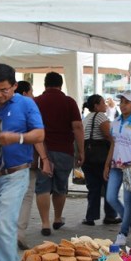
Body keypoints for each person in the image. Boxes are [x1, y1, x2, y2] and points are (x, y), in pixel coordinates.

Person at [0, 63, 45, 261]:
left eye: (4, 90)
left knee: (6, 226)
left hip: (16, 173)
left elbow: (40, 134)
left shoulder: (26, 105)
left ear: (14, 86)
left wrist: (17, 138)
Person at [32, 72, 85, 235]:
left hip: (42, 151)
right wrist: (81, 151)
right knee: (61, 186)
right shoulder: (69, 102)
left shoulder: (37, 102)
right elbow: (77, 127)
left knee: (43, 187)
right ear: (61, 85)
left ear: (45, 85)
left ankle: (45, 223)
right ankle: (57, 218)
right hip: (65, 151)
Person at [14, 80, 48, 251]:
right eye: (32, 91)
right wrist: (45, 158)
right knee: (26, 197)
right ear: (26, 92)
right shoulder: (28, 106)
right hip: (25, 161)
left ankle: (5, 233)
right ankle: (18, 233)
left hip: (4, 161)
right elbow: (37, 136)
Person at [104, 91, 131, 246]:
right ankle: (128, 220)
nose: (122, 105)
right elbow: (113, 143)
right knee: (110, 197)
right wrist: (107, 163)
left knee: (128, 199)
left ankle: (123, 232)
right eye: (122, 101)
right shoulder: (116, 121)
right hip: (115, 165)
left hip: (130, 166)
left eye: (126, 102)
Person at [81, 94, 118, 226]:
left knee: (93, 188)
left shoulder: (86, 118)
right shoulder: (100, 116)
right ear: (96, 106)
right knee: (108, 185)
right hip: (101, 157)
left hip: (88, 157)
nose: (105, 105)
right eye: (103, 103)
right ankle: (110, 215)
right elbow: (109, 134)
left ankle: (90, 216)